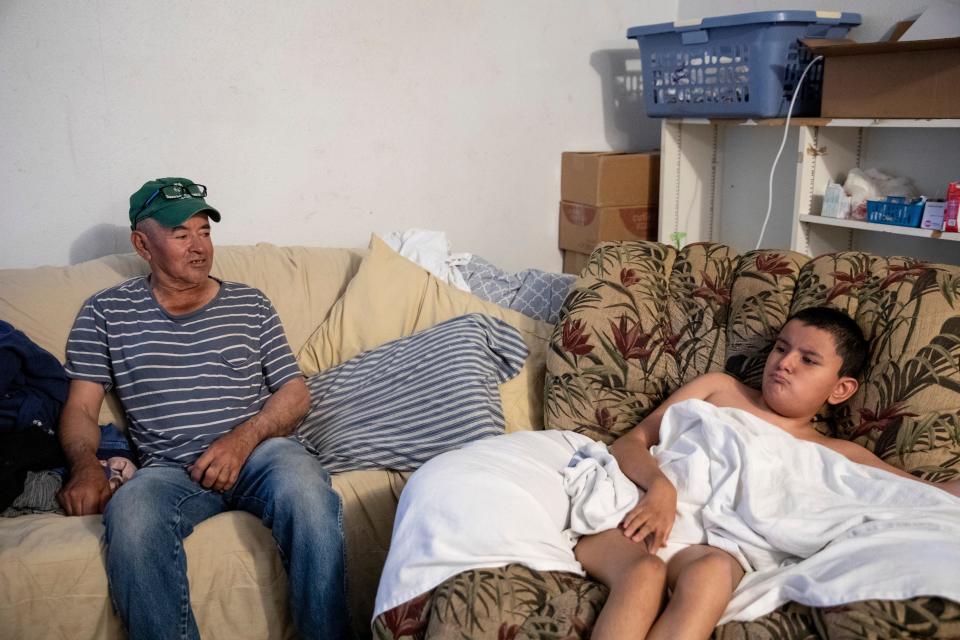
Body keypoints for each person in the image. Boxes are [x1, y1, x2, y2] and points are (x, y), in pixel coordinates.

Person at [56, 178, 350, 640]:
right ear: (142, 244)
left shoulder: (250, 303)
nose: (199, 248)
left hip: (260, 456)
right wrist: (85, 467)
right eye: (181, 235)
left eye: (205, 232)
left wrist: (243, 439)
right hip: (171, 470)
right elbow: (80, 408)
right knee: (131, 516)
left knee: (307, 491)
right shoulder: (105, 312)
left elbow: (295, 392)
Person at [575, 306, 960, 640]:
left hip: (710, 546)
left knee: (711, 575)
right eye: (781, 347)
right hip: (639, 513)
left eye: (808, 360)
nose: (785, 362)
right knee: (644, 574)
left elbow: (924, 495)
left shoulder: (838, 453)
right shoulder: (720, 390)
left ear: (840, 389)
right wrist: (660, 487)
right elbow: (630, 442)